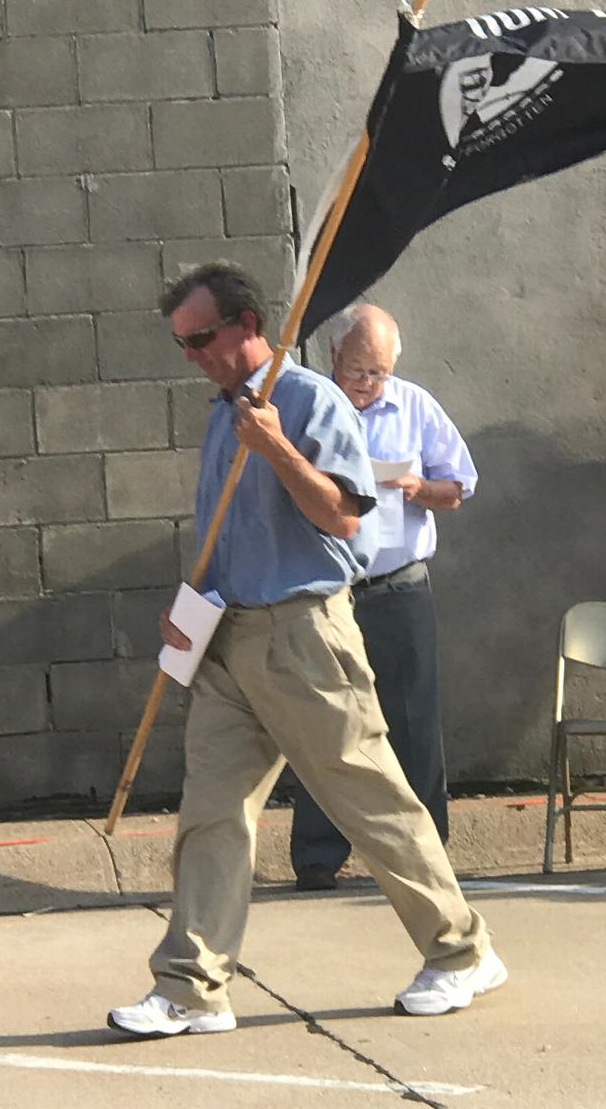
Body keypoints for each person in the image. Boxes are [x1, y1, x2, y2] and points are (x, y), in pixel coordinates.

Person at [107, 264, 506, 1037]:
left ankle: (461, 953)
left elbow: (342, 519)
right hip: (228, 638)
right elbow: (228, 534)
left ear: (246, 323)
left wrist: (279, 447)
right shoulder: (226, 413)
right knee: (212, 813)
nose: (191, 356)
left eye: (200, 339)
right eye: (181, 345)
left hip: (304, 632)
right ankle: (192, 986)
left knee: (370, 798)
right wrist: (191, 612)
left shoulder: (308, 400)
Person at [291, 302, 477, 892]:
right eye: (357, 371)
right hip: (328, 587)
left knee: (412, 720)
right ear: (332, 358)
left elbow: (459, 487)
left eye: (379, 372)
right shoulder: (308, 405)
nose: (368, 385)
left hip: (399, 584)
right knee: (328, 723)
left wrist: (418, 486)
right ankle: (320, 853)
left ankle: (430, 848)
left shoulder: (415, 405)